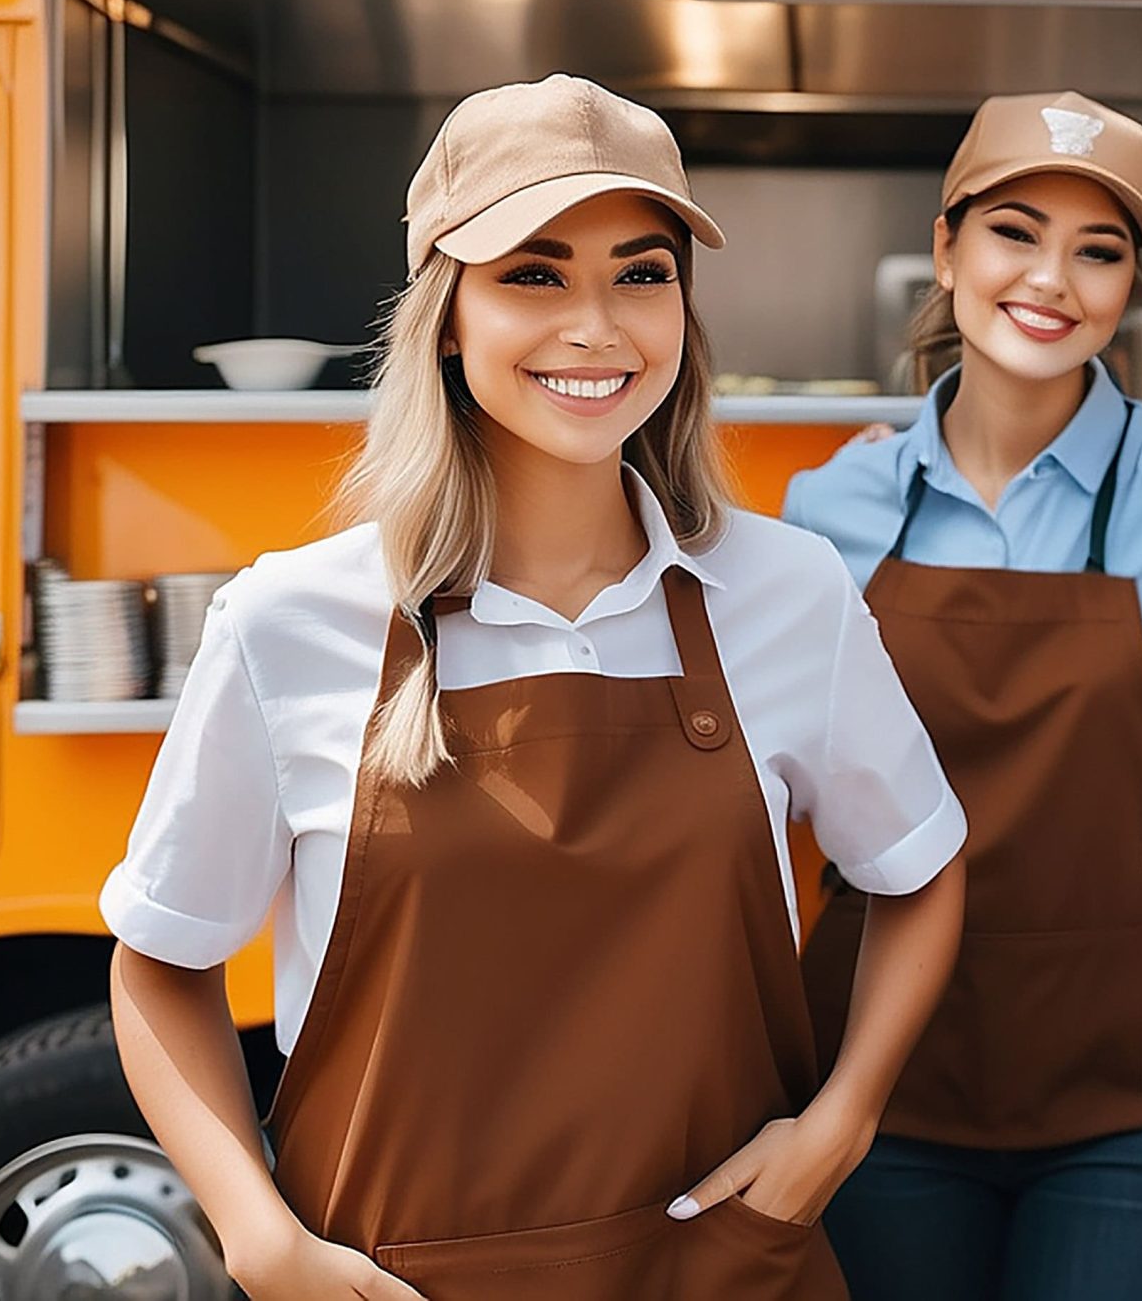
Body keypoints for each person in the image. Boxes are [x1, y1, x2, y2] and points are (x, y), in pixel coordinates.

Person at [102, 75, 967, 1301]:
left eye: (643, 272)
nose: (598, 326)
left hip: (716, 1269)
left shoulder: (788, 593)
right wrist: (259, 1236)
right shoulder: (288, 622)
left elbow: (921, 872)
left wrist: (840, 1124)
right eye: (535, 273)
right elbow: (160, 958)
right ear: (446, 318)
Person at [784, 91, 1142, 1301]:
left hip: (1125, 1089)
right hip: (879, 1081)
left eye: (1099, 251)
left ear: (1129, 289)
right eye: (1015, 233)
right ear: (946, 247)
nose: (1052, 280)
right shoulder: (828, 512)